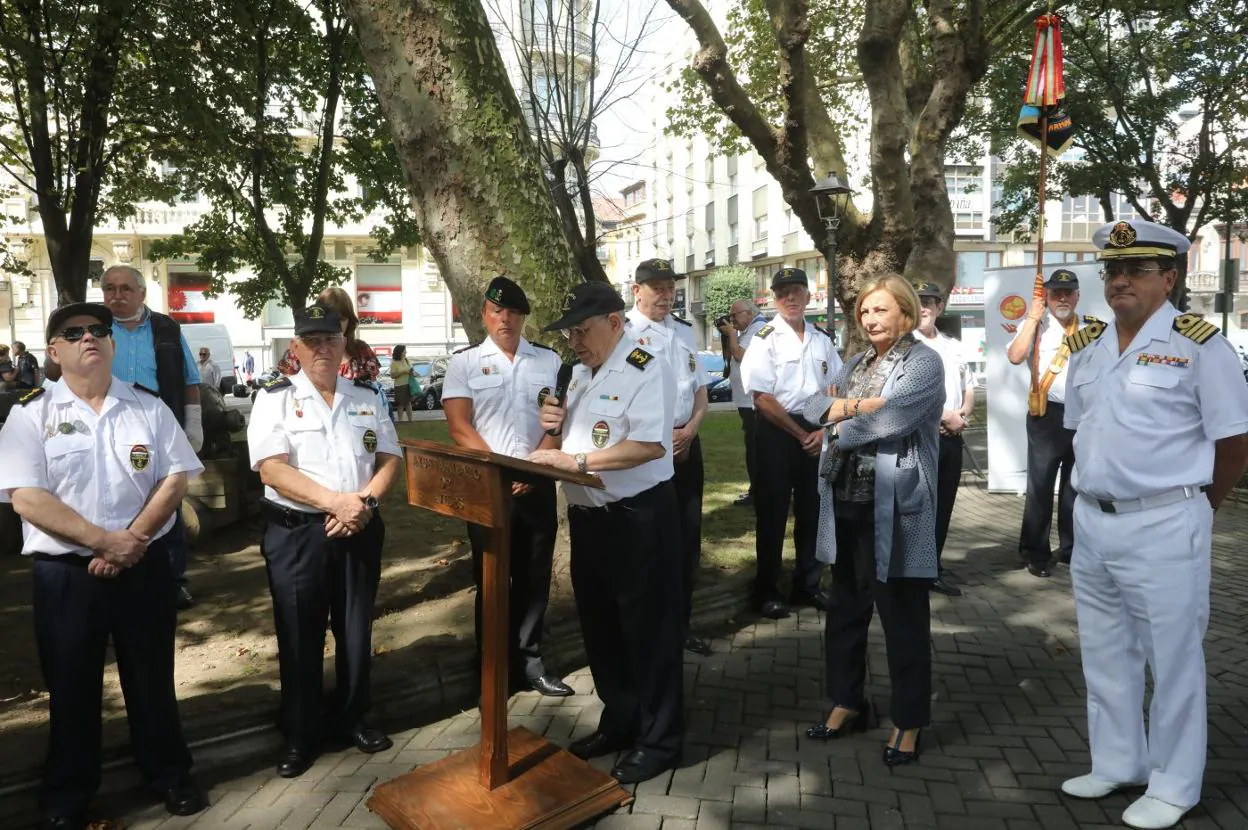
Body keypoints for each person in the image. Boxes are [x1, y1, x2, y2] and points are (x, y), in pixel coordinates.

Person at [1059, 219, 1248, 830]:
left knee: (1173, 661)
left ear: (1169, 278)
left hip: (1165, 522)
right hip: (1093, 522)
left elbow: (1235, 442)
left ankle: (1174, 785)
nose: (1119, 281)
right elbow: (1081, 431)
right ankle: (1118, 762)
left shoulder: (1201, 346)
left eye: (1136, 270)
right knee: (1107, 653)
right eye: (1112, 272)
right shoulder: (1088, 345)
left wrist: (1197, 506)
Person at [0, 302, 208, 828]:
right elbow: (26, 498)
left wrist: (131, 540)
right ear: (54, 351)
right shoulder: (30, 414)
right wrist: (102, 543)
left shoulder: (148, 407)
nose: (89, 337)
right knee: (71, 686)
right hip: (66, 576)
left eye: (99, 330)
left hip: (143, 564)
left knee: (151, 678)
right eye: (73, 333)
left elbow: (175, 478)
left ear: (112, 345)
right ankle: (68, 796)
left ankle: (169, 775)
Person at [527, 281, 683, 786]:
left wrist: (573, 459)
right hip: (590, 521)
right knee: (602, 631)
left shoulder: (646, 366)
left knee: (649, 633)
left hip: (637, 519)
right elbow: (573, 436)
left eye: (582, 329)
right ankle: (621, 721)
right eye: (569, 332)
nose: (573, 340)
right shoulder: (577, 373)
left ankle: (660, 741)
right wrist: (555, 425)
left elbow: (649, 446)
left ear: (615, 323)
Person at [247, 304, 402, 779]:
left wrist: (365, 506)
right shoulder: (273, 398)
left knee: (356, 631)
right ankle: (300, 732)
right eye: (311, 341)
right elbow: (271, 468)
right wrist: (337, 502)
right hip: (298, 534)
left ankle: (354, 716)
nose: (322, 348)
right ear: (295, 348)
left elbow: (391, 458)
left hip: (358, 527)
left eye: (330, 339)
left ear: (343, 345)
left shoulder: (367, 397)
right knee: (300, 635)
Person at [800, 274, 943, 768]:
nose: (870, 319)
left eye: (880, 310)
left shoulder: (924, 361)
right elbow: (814, 404)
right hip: (846, 502)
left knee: (903, 618)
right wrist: (855, 407)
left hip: (897, 510)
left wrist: (842, 422)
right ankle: (848, 701)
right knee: (845, 610)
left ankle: (909, 719)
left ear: (905, 312)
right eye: (864, 311)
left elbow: (891, 420)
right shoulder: (859, 361)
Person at [443, 276, 573, 698]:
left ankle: (531, 662)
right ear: (484, 314)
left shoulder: (549, 362)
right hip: (488, 490)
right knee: (492, 581)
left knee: (534, 580)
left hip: (535, 485)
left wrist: (532, 467)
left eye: (514, 312)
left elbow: (559, 422)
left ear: (523, 318)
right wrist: (502, 471)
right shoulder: (463, 363)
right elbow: (460, 427)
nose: (505, 319)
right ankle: (492, 669)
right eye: (498, 311)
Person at [739, 267, 840, 619]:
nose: (791, 298)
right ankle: (766, 592)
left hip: (815, 427)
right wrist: (801, 435)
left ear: (810, 296)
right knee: (772, 514)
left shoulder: (822, 340)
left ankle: (807, 585)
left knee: (813, 511)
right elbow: (762, 397)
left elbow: (835, 389)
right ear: (773, 299)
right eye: (783, 293)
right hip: (775, 431)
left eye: (797, 290)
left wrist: (823, 431)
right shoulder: (764, 338)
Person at [101, 264, 203, 610]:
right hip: (106, 426)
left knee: (165, 500)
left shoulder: (166, 327)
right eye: (110, 289)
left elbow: (190, 379)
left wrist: (193, 423)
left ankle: (172, 580)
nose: (117, 296)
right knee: (112, 494)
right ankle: (112, 570)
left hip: (158, 425)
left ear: (142, 293)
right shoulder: (92, 327)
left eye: (125, 289)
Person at [625, 258, 712, 656]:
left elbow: (699, 389)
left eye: (669, 287)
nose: (665, 294)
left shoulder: (684, 331)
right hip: (646, 451)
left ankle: (681, 625)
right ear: (636, 290)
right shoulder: (622, 332)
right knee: (647, 542)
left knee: (686, 540)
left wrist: (691, 429)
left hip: (686, 446)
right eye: (655, 287)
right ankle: (650, 630)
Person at [1005, 267, 1090, 578]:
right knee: (1040, 487)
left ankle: (1071, 549)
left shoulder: (1091, 329)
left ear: (1078, 295)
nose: (1063, 298)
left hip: (1082, 416)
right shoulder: (1036, 326)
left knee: (1074, 488)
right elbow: (1015, 356)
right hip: (1047, 416)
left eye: (1068, 293)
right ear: (1047, 297)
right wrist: (1031, 317)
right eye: (1056, 293)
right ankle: (1035, 552)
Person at [912, 281, 975, 597]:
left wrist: (963, 412)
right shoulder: (905, 345)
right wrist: (942, 417)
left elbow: (969, 386)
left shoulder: (953, 345)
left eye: (930, 301)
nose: (924, 306)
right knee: (921, 505)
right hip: (921, 437)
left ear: (940, 307)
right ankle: (919, 570)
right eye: (918, 300)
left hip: (951, 436)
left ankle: (932, 564)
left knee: (944, 504)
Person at [717, 300, 769, 507]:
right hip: (746, 401)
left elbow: (741, 356)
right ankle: (758, 489)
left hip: (753, 403)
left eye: (734, 316)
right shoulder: (748, 330)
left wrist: (730, 334)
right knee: (753, 446)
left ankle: (758, 491)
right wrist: (730, 334)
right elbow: (730, 358)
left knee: (755, 449)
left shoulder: (759, 329)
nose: (732, 321)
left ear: (749, 313)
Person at [277, 287, 381, 383]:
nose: (336, 325)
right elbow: (287, 392)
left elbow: (372, 393)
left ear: (350, 321)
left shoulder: (362, 351)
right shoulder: (299, 350)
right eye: (331, 319)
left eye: (341, 319)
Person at [389, 344, 415, 422]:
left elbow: (411, 370)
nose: (405, 352)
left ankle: (410, 420)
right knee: (400, 404)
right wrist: (403, 372)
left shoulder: (407, 360)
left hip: (408, 384)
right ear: (399, 352)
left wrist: (411, 372)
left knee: (408, 403)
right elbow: (393, 375)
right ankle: (400, 421)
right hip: (399, 385)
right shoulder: (394, 362)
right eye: (404, 351)